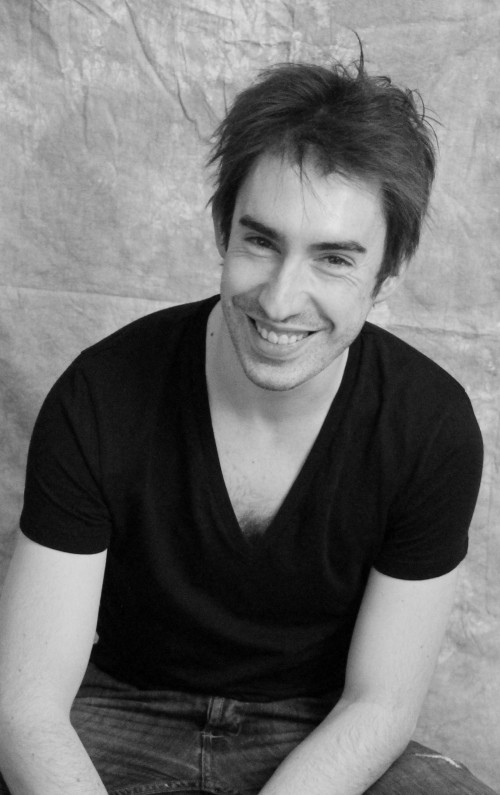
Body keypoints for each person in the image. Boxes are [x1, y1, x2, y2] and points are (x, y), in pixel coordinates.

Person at [0, 55, 495, 795]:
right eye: (261, 241)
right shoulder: (100, 393)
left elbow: (379, 705)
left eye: (333, 258)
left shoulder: (431, 428)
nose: (281, 299)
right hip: (118, 710)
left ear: (386, 277)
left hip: (316, 728)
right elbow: (29, 706)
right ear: (223, 231)